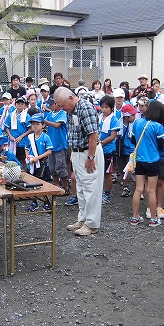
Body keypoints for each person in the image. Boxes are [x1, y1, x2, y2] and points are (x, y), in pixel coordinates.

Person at [54, 86, 104, 237]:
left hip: (88, 152)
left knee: (91, 188)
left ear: (71, 98)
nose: (61, 108)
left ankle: (92, 223)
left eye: (62, 105)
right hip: (77, 152)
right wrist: (73, 155)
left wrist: (90, 157)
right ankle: (82, 219)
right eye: (59, 105)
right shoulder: (71, 110)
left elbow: (93, 135)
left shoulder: (85, 108)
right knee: (81, 188)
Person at [128, 100, 164, 227]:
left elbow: (133, 140)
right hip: (153, 160)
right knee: (150, 190)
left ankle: (134, 217)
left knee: (138, 189)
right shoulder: (157, 126)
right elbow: (161, 146)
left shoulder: (137, 122)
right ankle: (153, 219)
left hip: (140, 160)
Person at [25, 113, 54, 211]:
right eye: (33, 124)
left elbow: (49, 151)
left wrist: (39, 158)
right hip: (32, 163)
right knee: (32, 183)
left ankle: (46, 202)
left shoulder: (45, 137)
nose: (35, 126)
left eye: (37, 124)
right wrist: (27, 157)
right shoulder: (30, 137)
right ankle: (34, 202)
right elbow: (26, 148)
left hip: (42, 164)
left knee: (44, 184)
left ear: (43, 125)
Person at [44, 99, 69, 194]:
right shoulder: (50, 114)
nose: (50, 106)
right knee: (52, 168)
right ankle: (57, 186)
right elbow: (44, 124)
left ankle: (65, 187)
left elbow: (57, 125)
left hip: (60, 144)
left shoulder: (63, 113)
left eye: (51, 104)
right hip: (51, 145)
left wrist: (46, 122)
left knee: (61, 167)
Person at [98, 95, 119, 204]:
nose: (104, 109)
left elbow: (112, 136)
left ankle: (107, 194)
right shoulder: (99, 117)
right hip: (98, 149)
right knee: (98, 173)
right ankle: (99, 193)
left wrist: (101, 143)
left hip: (108, 150)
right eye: (102, 107)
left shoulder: (114, 120)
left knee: (107, 173)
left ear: (111, 108)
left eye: (106, 107)